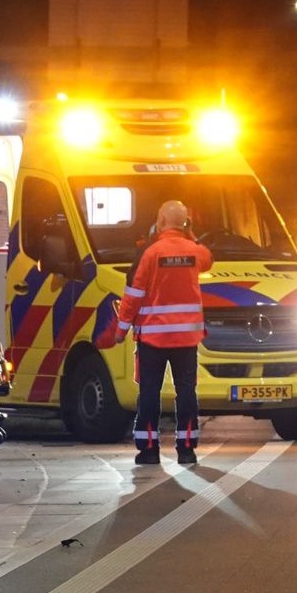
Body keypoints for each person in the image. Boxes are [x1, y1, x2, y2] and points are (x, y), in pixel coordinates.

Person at [115, 199, 212, 465]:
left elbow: (134, 293)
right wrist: (189, 232)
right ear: (186, 223)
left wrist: (121, 329)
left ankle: (148, 450)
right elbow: (208, 259)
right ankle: (187, 449)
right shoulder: (194, 251)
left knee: (149, 393)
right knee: (187, 393)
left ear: (159, 222)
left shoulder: (150, 252)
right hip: (186, 339)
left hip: (153, 338)